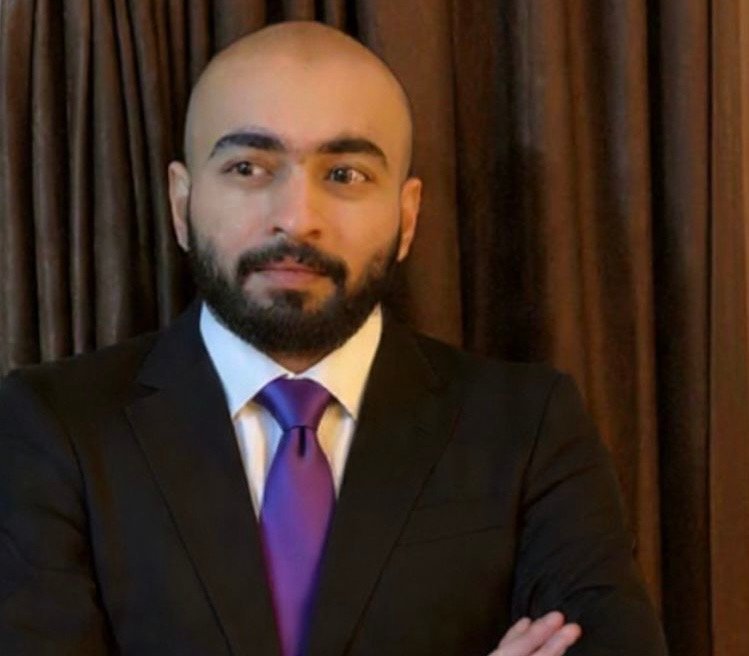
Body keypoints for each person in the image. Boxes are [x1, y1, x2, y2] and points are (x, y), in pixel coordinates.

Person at [0, 20, 668, 656]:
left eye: (345, 174)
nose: (296, 219)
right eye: (248, 168)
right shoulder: (52, 426)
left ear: (407, 216)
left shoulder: (528, 427)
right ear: (181, 203)